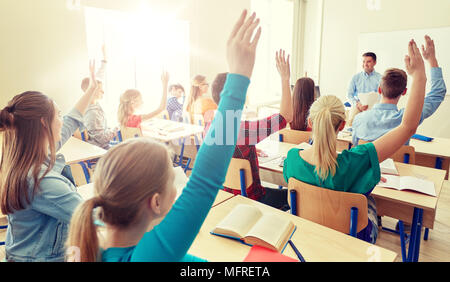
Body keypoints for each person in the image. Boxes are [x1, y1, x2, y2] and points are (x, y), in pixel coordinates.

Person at [65, 9, 262, 262]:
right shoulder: (149, 257)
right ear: (155, 203)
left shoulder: (90, 242)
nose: (179, 189)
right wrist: (238, 80)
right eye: (173, 182)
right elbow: (205, 180)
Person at [283, 39, 428, 244]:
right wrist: (419, 75)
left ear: (310, 121)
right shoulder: (356, 161)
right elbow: (407, 127)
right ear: (343, 125)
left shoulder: (292, 158)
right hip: (352, 237)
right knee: (367, 199)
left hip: (306, 233)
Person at [0, 62, 99, 261]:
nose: (62, 121)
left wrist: (91, 90)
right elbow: (91, 219)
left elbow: (71, 120)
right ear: (44, 124)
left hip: (23, 252)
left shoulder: (23, 155)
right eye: (58, 115)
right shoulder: (41, 182)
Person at [205, 49, 293, 211]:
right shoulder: (243, 130)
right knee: (295, 196)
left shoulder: (209, 126)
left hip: (225, 197)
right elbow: (286, 116)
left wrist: (248, 148)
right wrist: (285, 78)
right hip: (252, 200)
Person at [352, 35, 446, 146]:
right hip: (397, 164)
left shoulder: (359, 120)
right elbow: (438, 93)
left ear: (379, 90)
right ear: (404, 92)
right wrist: (432, 59)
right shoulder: (409, 118)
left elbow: (354, 146)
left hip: (367, 164)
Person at [81, 45, 118, 149]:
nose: (103, 91)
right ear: (91, 91)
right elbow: (102, 139)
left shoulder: (92, 105)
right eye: (99, 89)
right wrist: (115, 130)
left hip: (103, 145)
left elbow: (100, 76)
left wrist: (104, 58)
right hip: (100, 149)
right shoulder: (92, 113)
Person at [347, 52, 382, 125]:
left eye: (368, 62)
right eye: (363, 62)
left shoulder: (380, 78)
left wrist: (374, 106)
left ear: (375, 63)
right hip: (358, 106)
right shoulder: (356, 77)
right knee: (351, 120)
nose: (365, 64)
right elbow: (349, 95)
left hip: (374, 107)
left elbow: (382, 96)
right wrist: (357, 104)